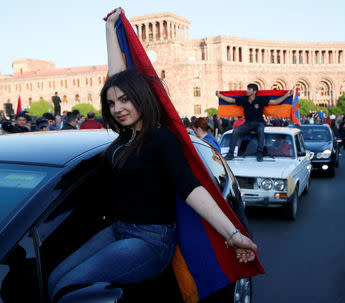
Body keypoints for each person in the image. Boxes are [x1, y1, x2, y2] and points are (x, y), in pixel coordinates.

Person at [47, 8, 258, 302]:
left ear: (141, 98)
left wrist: (233, 235)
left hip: (150, 241)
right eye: (111, 104)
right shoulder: (124, 138)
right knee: (54, 279)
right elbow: (119, 78)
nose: (117, 108)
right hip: (119, 230)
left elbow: (190, 188)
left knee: (67, 286)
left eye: (124, 100)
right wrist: (110, 30)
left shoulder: (160, 139)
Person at [216, 85, 292, 162]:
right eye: (247, 89)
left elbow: (276, 102)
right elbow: (231, 100)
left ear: (254, 91)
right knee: (235, 131)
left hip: (259, 123)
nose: (247, 91)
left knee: (260, 132)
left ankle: (260, 153)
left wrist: (287, 95)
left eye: (249, 89)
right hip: (248, 123)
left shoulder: (261, 99)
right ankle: (231, 153)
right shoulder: (244, 99)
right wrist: (220, 95)